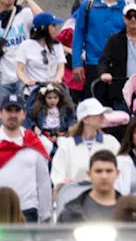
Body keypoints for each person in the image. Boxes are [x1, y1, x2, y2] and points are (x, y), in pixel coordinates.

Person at [0, 93, 51, 222]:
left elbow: (43, 181)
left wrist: (46, 216)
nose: (13, 115)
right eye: (8, 110)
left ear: (24, 114)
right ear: (1, 113)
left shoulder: (35, 143)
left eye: (17, 110)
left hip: (27, 210)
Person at [60, 150, 123, 221]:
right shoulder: (71, 212)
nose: (104, 176)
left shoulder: (131, 211)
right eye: (98, 171)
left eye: (109, 171)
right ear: (89, 174)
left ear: (117, 173)